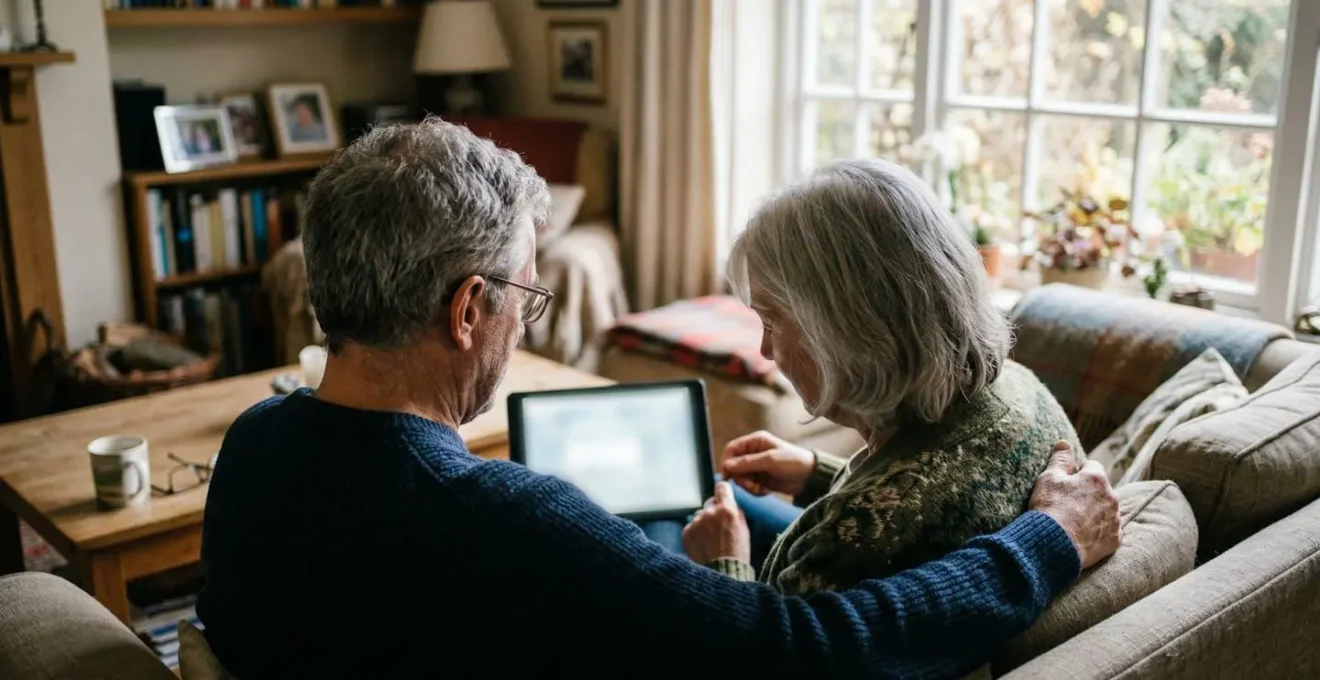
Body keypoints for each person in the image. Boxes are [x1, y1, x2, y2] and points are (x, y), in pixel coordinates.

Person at [196, 118, 1121, 679]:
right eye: (526, 293)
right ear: (470, 309)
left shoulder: (253, 443)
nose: (526, 322)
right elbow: (809, 651)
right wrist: (1046, 541)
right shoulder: (509, 516)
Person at [674, 158, 1085, 595]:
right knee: (711, 496)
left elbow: (762, 656)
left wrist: (723, 566)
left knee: (673, 522)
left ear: (845, 330)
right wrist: (820, 474)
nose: (766, 349)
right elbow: (924, 490)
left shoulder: (846, 545)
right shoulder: (1023, 390)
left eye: (772, 323)